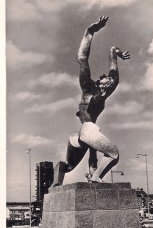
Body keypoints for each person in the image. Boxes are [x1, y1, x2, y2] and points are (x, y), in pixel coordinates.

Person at [51, 16, 130, 187]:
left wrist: (117, 54)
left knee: (70, 165)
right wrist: (90, 32)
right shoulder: (88, 88)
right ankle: (95, 178)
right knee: (113, 154)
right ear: (99, 82)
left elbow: (113, 59)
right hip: (85, 131)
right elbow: (82, 59)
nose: (110, 81)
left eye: (111, 80)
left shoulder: (104, 95)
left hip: (81, 137)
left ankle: (55, 184)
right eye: (106, 79)